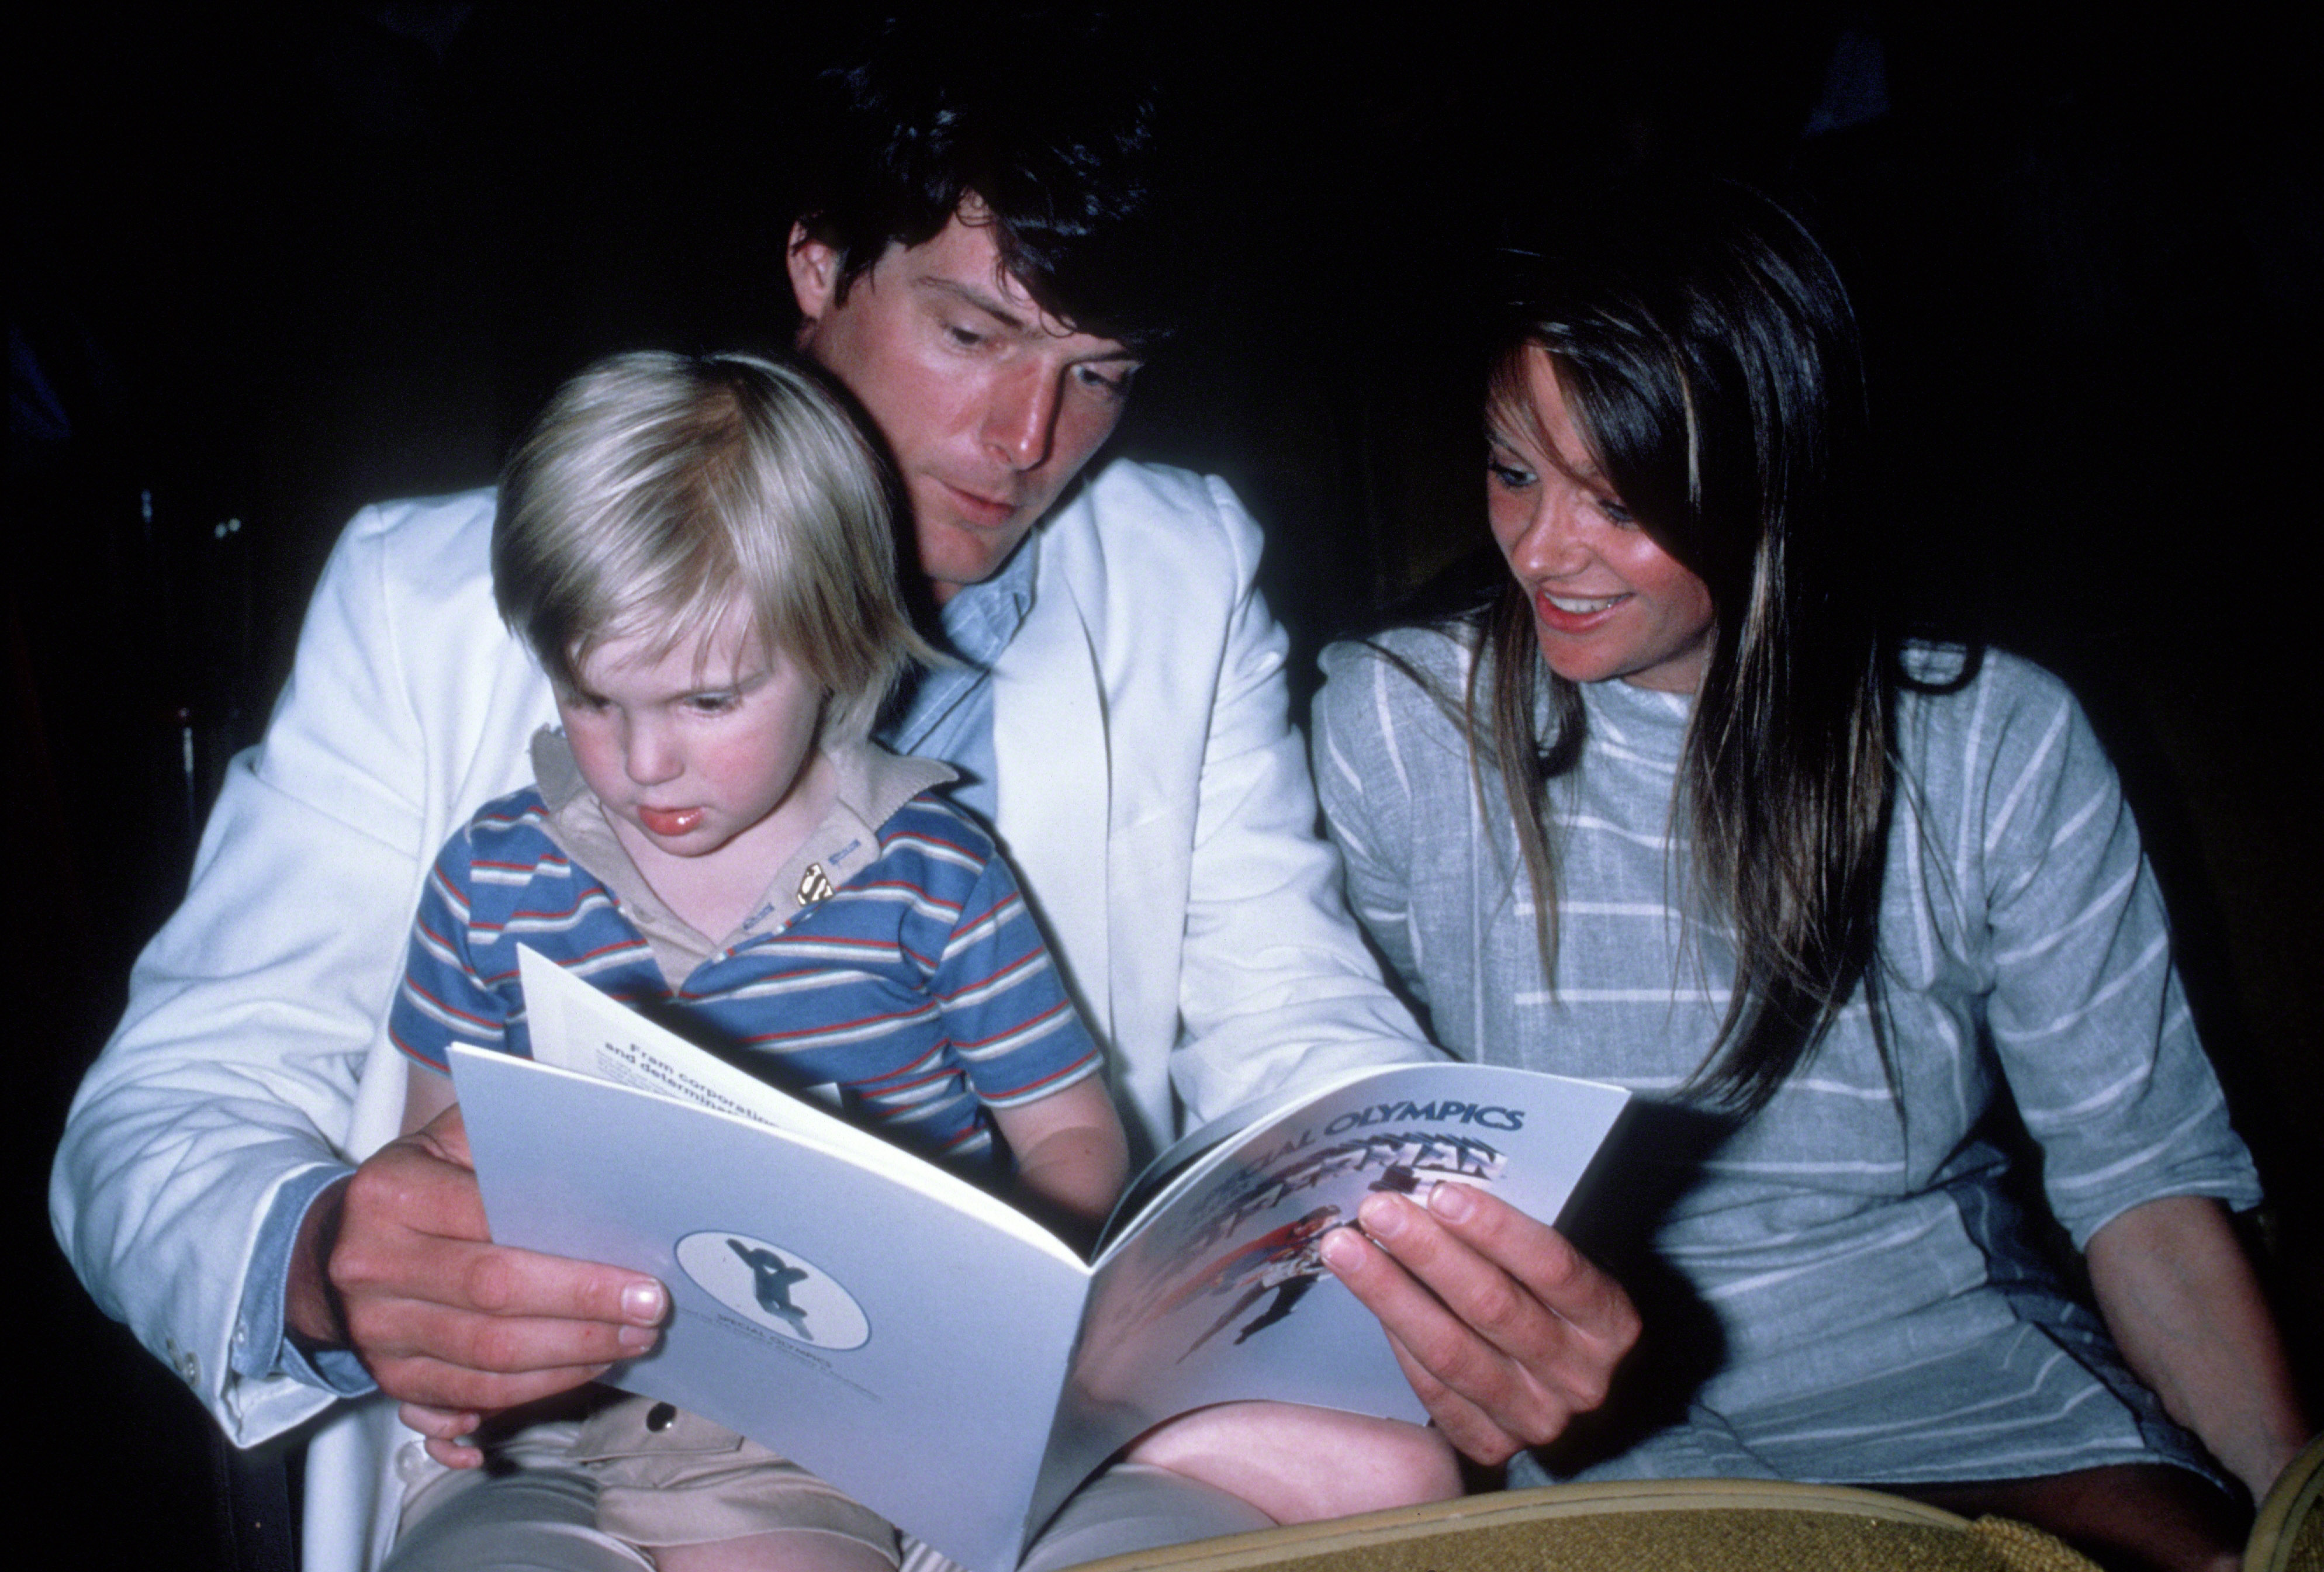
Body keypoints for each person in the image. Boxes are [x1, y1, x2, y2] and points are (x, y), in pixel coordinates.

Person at [51, 17, 1633, 1572]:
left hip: (1040, 1442)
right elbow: (158, 1117)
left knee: (1386, 1473)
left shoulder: (1179, 567)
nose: (1030, 445)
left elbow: (1290, 1018)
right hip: (584, 1450)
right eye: (972, 334)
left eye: (1098, 374)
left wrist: (1440, 1241)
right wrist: (325, 1263)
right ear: (817, 266)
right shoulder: (431, 599)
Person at [1309, 181, 2310, 1572]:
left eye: (1619, 497)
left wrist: (2284, 1507)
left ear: (1776, 479)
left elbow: (2140, 1187)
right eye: (1511, 469)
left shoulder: (1990, 743)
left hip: (1954, 1361)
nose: (1541, 552)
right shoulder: (1398, 721)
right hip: (1573, 1391)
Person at [390, 348, 1458, 1570]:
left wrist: (995, 1294)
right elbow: (429, 1167)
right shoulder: (493, 872)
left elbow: (1067, 1135)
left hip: (805, 1454)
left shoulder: (932, 872)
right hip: (537, 1431)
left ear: (835, 650)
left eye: (708, 702)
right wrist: (435, 1316)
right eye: (593, 700)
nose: (641, 764)